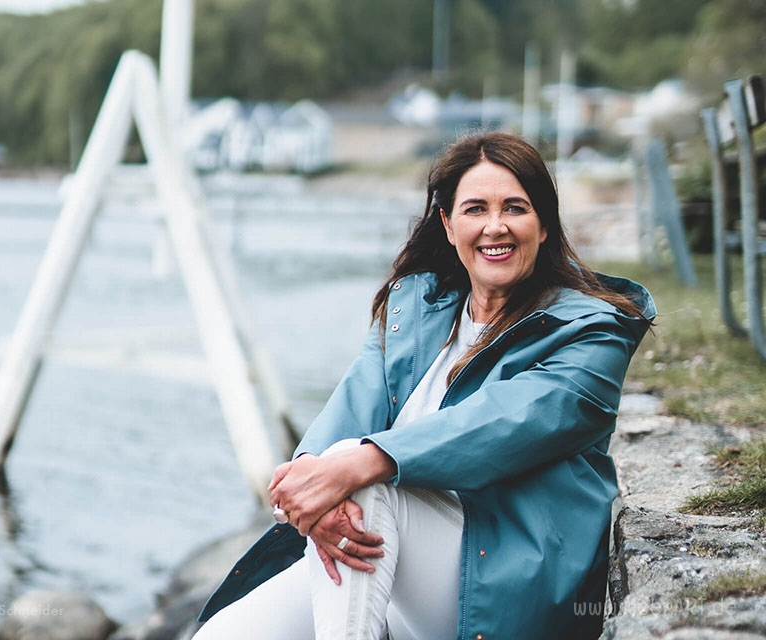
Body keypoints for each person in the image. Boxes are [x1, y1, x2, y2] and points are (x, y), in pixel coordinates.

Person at [192, 132, 655, 640]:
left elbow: (504, 423)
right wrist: (311, 484)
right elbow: (350, 407)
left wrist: (362, 464)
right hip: (390, 561)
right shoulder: (415, 313)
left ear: (544, 224)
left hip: (508, 575)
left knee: (368, 484)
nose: (495, 226)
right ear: (448, 224)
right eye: (475, 208)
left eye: (515, 208)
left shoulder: (592, 332)